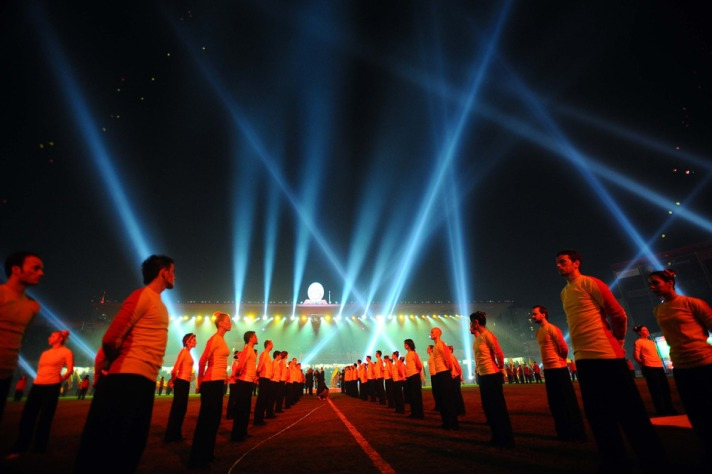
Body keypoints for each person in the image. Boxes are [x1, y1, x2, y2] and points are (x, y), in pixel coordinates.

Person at [556, 249, 666, 471]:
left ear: (576, 263)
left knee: (630, 413)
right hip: (584, 359)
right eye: (557, 263)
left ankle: (654, 460)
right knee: (598, 417)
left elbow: (618, 314)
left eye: (563, 262)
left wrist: (619, 338)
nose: (558, 266)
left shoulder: (591, 283)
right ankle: (614, 460)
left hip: (606, 356)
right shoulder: (564, 293)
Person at [75, 255, 174, 473]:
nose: (174, 275)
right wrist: (110, 366)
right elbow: (111, 337)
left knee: (132, 443)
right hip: (127, 378)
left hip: (144, 380)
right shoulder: (142, 296)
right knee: (110, 444)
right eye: (172, 271)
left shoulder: (159, 303)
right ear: (163, 272)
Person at [649, 268, 712, 454]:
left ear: (669, 283)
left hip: (704, 363)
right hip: (681, 367)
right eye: (650, 284)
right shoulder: (658, 309)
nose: (652, 287)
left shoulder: (692, 303)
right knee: (696, 413)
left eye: (656, 283)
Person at [6, 330, 73, 458]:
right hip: (37, 385)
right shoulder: (45, 353)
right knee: (28, 416)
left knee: (45, 418)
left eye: (52, 335)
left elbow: (70, 370)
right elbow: (41, 369)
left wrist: (59, 380)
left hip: (52, 386)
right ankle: (22, 444)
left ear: (60, 339)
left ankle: (39, 447)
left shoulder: (66, 352)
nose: (49, 337)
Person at [531, 305, 586, 441]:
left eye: (535, 314)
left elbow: (563, 347)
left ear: (543, 314)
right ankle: (562, 431)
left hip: (558, 368)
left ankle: (577, 432)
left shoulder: (552, 329)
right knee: (555, 402)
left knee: (567, 401)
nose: (533, 316)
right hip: (548, 370)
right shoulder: (538, 332)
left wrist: (560, 360)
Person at [0, 251, 44, 425]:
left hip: (7, 372)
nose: (41, 273)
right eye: (35, 268)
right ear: (16, 269)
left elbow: (22, 337)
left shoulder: (33, 307)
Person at [188, 311, 231, 469]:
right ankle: (197, 459)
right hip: (210, 383)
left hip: (218, 382)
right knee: (206, 421)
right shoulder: (214, 339)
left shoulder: (222, 340)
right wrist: (200, 381)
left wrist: (225, 375)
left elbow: (219, 360)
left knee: (214, 421)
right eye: (228, 320)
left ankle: (208, 454)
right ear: (220, 323)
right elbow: (202, 360)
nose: (230, 323)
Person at [470, 311, 514, 448]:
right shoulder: (479, 337)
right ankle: (497, 436)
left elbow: (499, 352)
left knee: (497, 408)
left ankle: (506, 438)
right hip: (483, 376)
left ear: (476, 322)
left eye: (472, 322)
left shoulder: (488, 335)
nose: (470, 325)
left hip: (491, 374)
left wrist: (500, 367)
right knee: (489, 408)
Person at [632, 325, 676, 417]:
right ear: (639, 332)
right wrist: (642, 362)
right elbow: (636, 354)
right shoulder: (638, 342)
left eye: (647, 329)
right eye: (644, 330)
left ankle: (670, 408)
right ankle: (661, 410)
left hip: (659, 366)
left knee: (665, 388)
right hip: (649, 367)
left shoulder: (651, 342)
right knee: (656, 389)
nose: (646, 331)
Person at [164, 332, 197, 442]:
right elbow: (175, 369)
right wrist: (173, 381)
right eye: (193, 340)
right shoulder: (183, 352)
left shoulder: (188, 353)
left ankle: (176, 434)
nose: (195, 341)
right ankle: (171, 435)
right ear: (188, 342)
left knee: (181, 409)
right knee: (178, 409)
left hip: (185, 382)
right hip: (181, 382)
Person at [231, 330, 257, 441]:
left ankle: (243, 432)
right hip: (244, 382)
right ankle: (237, 434)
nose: (256, 338)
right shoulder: (247, 350)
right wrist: (237, 375)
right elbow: (240, 365)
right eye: (255, 336)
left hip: (248, 382)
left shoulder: (250, 350)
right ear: (250, 338)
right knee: (242, 409)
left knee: (245, 409)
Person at [430, 327, 457, 430]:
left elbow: (448, 359)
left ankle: (451, 423)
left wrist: (450, 370)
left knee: (447, 399)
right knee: (443, 400)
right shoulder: (436, 345)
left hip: (444, 374)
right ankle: (446, 422)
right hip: (439, 374)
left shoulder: (441, 344)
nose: (431, 333)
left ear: (438, 333)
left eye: (432, 332)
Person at [253, 339, 274, 425]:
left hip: (267, 378)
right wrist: (258, 376)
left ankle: (260, 418)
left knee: (264, 399)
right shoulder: (264, 354)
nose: (273, 345)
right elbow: (259, 367)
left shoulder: (267, 355)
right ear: (268, 345)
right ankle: (258, 420)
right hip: (264, 378)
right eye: (272, 344)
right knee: (261, 400)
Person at [404, 339, 424, 418]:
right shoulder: (408, 354)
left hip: (414, 376)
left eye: (405, 344)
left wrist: (417, 373)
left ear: (409, 344)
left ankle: (419, 413)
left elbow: (419, 365)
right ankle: (414, 413)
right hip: (410, 376)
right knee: (412, 396)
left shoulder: (413, 353)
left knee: (416, 396)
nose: (404, 345)